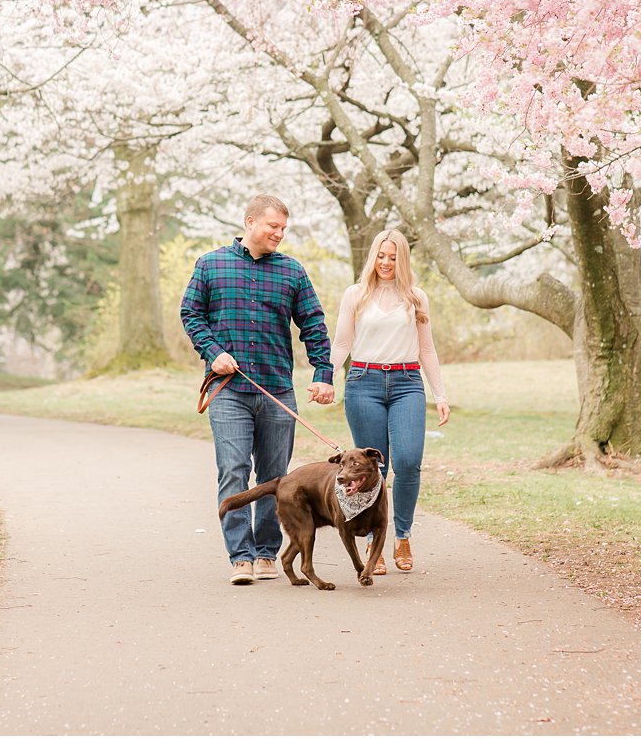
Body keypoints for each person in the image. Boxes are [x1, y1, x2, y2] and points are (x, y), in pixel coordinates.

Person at [180, 194, 336, 585]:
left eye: (284, 229)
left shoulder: (292, 272)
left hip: (277, 390)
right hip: (228, 388)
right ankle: (241, 557)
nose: (279, 234)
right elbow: (191, 313)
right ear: (251, 222)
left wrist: (323, 371)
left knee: (274, 477)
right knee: (234, 470)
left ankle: (267, 552)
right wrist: (212, 351)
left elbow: (313, 323)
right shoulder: (211, 264)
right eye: (273, 227)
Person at [331, 229, 450, 574]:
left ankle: (403, 535)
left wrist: (440, 394)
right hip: (362, 382)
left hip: (407, 383)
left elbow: (427, 348)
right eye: (381, 256)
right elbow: (341, 344)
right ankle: (374, 541)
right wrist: (325, 376)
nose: (386, 263)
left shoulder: (416, 297)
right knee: (371, 468)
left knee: (409, 461)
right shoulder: (356, 295)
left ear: (402, 260)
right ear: (373, 257)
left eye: (393, 257)